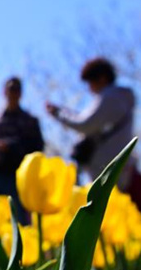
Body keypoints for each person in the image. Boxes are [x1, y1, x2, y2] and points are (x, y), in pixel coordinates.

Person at [46, 57, 136, 189]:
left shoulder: (109, 97)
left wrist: (58, 114)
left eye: (90, 82)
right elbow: (88, 119)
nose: (89, 88)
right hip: (117, 165)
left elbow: (86, 124)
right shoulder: (121, 97)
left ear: (102, 78)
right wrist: (62, 111)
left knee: (106, 204)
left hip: (106, 166)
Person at [0, 77, 44, 214]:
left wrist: (12, 147)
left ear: (21, 93)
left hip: (17, 174)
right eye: (10, 89)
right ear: (4, 92)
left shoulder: (29, 121)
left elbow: (38, 147)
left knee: (19, 216)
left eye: (16, 89)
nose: (13, 93)